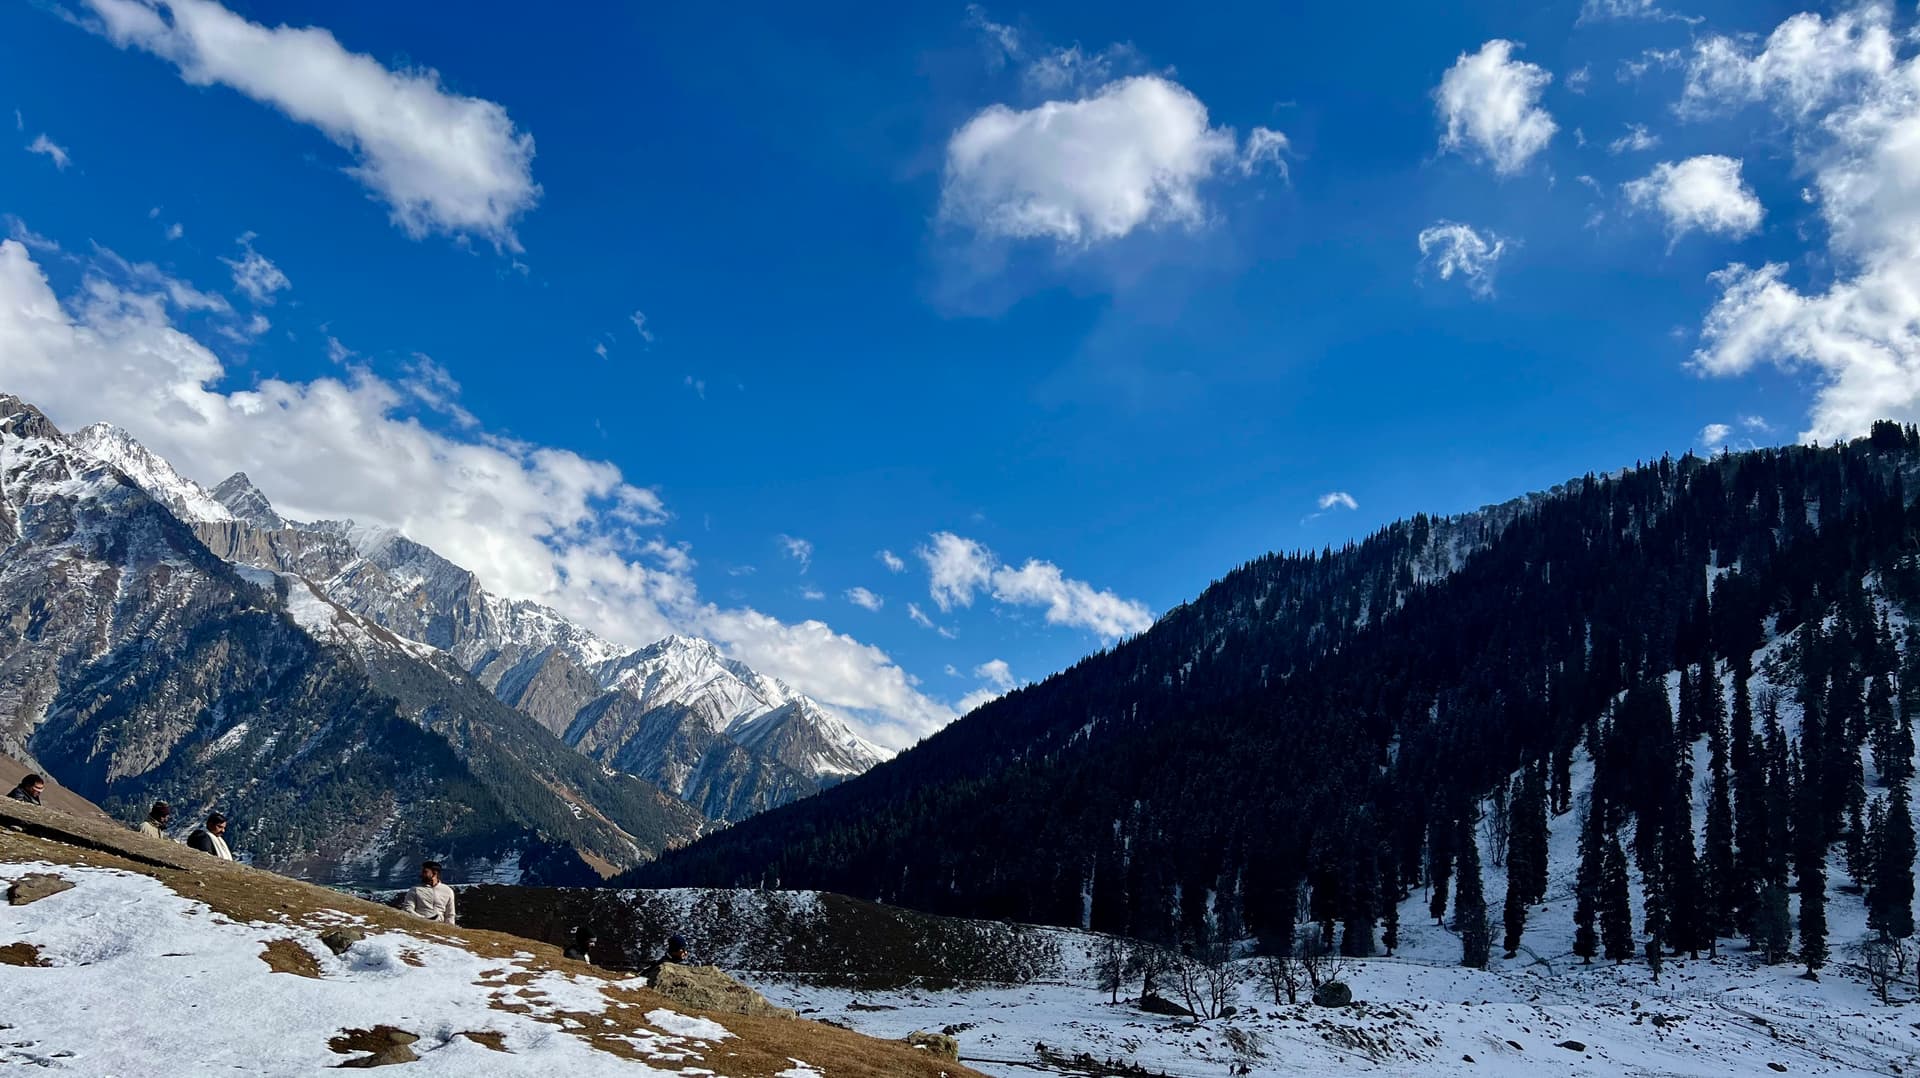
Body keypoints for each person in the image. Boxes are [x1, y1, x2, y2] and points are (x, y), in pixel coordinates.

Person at [395, 861, 457, 925]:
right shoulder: (415, 890)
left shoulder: (448, 891)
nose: (422, 874)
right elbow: (407, 909)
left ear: (435, 873)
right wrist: (423, 919)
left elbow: (450, 915)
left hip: (440, 928)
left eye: (425, 872)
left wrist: (449, 929)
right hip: (419, 925)